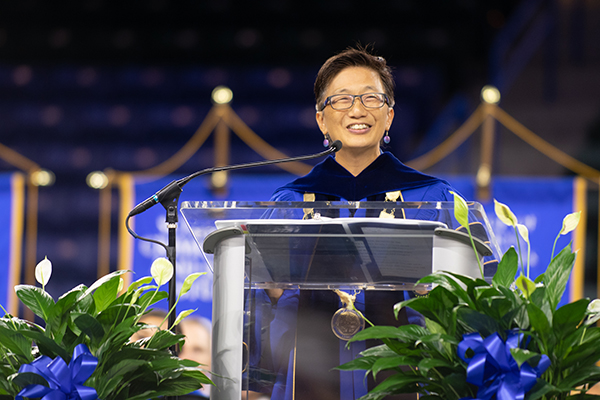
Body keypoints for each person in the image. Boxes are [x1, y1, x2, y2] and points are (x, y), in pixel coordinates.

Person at [244, 46, 470, 400]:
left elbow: (466, 294)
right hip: (303, 379)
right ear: (321, 118)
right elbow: (261, 301)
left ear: (390, 115)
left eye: (371, 98)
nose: (358, 110)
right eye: (342, 100)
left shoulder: (431, 198)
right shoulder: (291, 202)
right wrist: (255, 383)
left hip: (412, 379)